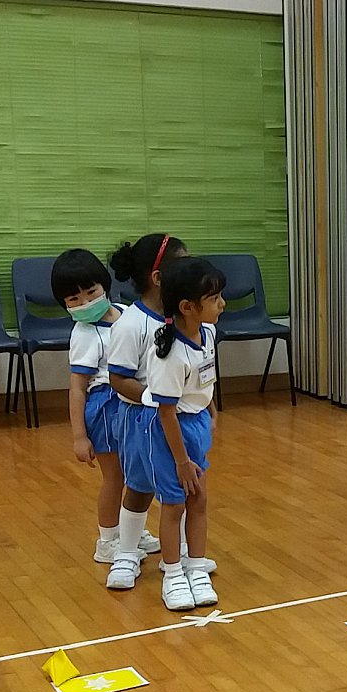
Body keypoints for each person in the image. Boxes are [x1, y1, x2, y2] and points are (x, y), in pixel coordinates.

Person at [142, 257, 226, 609]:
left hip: (195, 425)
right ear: (187, 307)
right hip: (169, 432)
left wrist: (210, 410)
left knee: (199, 499)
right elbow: (165, 411)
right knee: (175, 504)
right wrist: (181, 461)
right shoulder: (170, 355)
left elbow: (205, 378)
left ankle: (196, 567)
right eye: (214, 298)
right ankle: (174, 574)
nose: (222, 304)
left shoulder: (208, 333)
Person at [103, 233, 186, 591]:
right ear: (158, 277)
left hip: (178, 420)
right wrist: (155, 398)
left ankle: (180, 554)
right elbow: (118, 379)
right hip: (141, 419)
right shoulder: (131, 324)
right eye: (182, 264)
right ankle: (126, 553)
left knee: (181, 485)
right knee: (138, 487)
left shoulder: (185, 317)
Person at [52, 248, 126, 564]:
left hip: (133, 405)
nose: (85, 303)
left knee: (136, 475)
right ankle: (108, 540)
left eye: (91, 293)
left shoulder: (126, 314)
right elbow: (78, 389)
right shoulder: (84, 334)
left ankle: (130, 531)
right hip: (106, 409)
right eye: (74, 299)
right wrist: (79, 437)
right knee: (115, 478)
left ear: (104, 285)